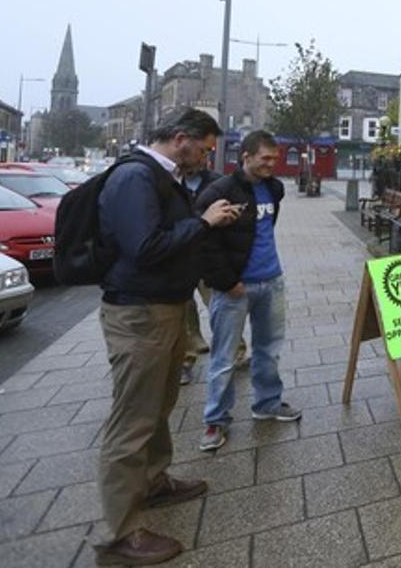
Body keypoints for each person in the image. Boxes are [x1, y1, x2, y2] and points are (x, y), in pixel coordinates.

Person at [95, 108, 239, 565]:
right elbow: (145, 247)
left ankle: (154, 481)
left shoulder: (163, 177)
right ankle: (122, 529)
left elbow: (164, 234)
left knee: (159, 404)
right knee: (133, 418)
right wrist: (205, 223)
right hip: (139, 314)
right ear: (181, 139)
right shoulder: (136, 178)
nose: (205, 158)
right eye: (204, 148)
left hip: (164, 310)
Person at [197, 130, 301, 452]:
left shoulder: (274, 189)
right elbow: (203, 243)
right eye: (265, 158)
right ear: (246, 157)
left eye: (275, 158)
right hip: (234, 289)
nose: (273, 164)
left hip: (272, 280)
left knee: (269, 349)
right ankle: (216, 420)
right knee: (224, 357)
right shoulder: (219, 191)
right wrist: (227, 282)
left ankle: (267, 403)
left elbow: (264, 232)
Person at [179, 161, 247, 386]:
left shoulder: (218, 182)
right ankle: (186, 360)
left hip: (209, 257)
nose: (192, 162)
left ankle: (237, 352)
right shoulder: (169, 183)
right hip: (181, 256)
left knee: (221, 305)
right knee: (184, 312)